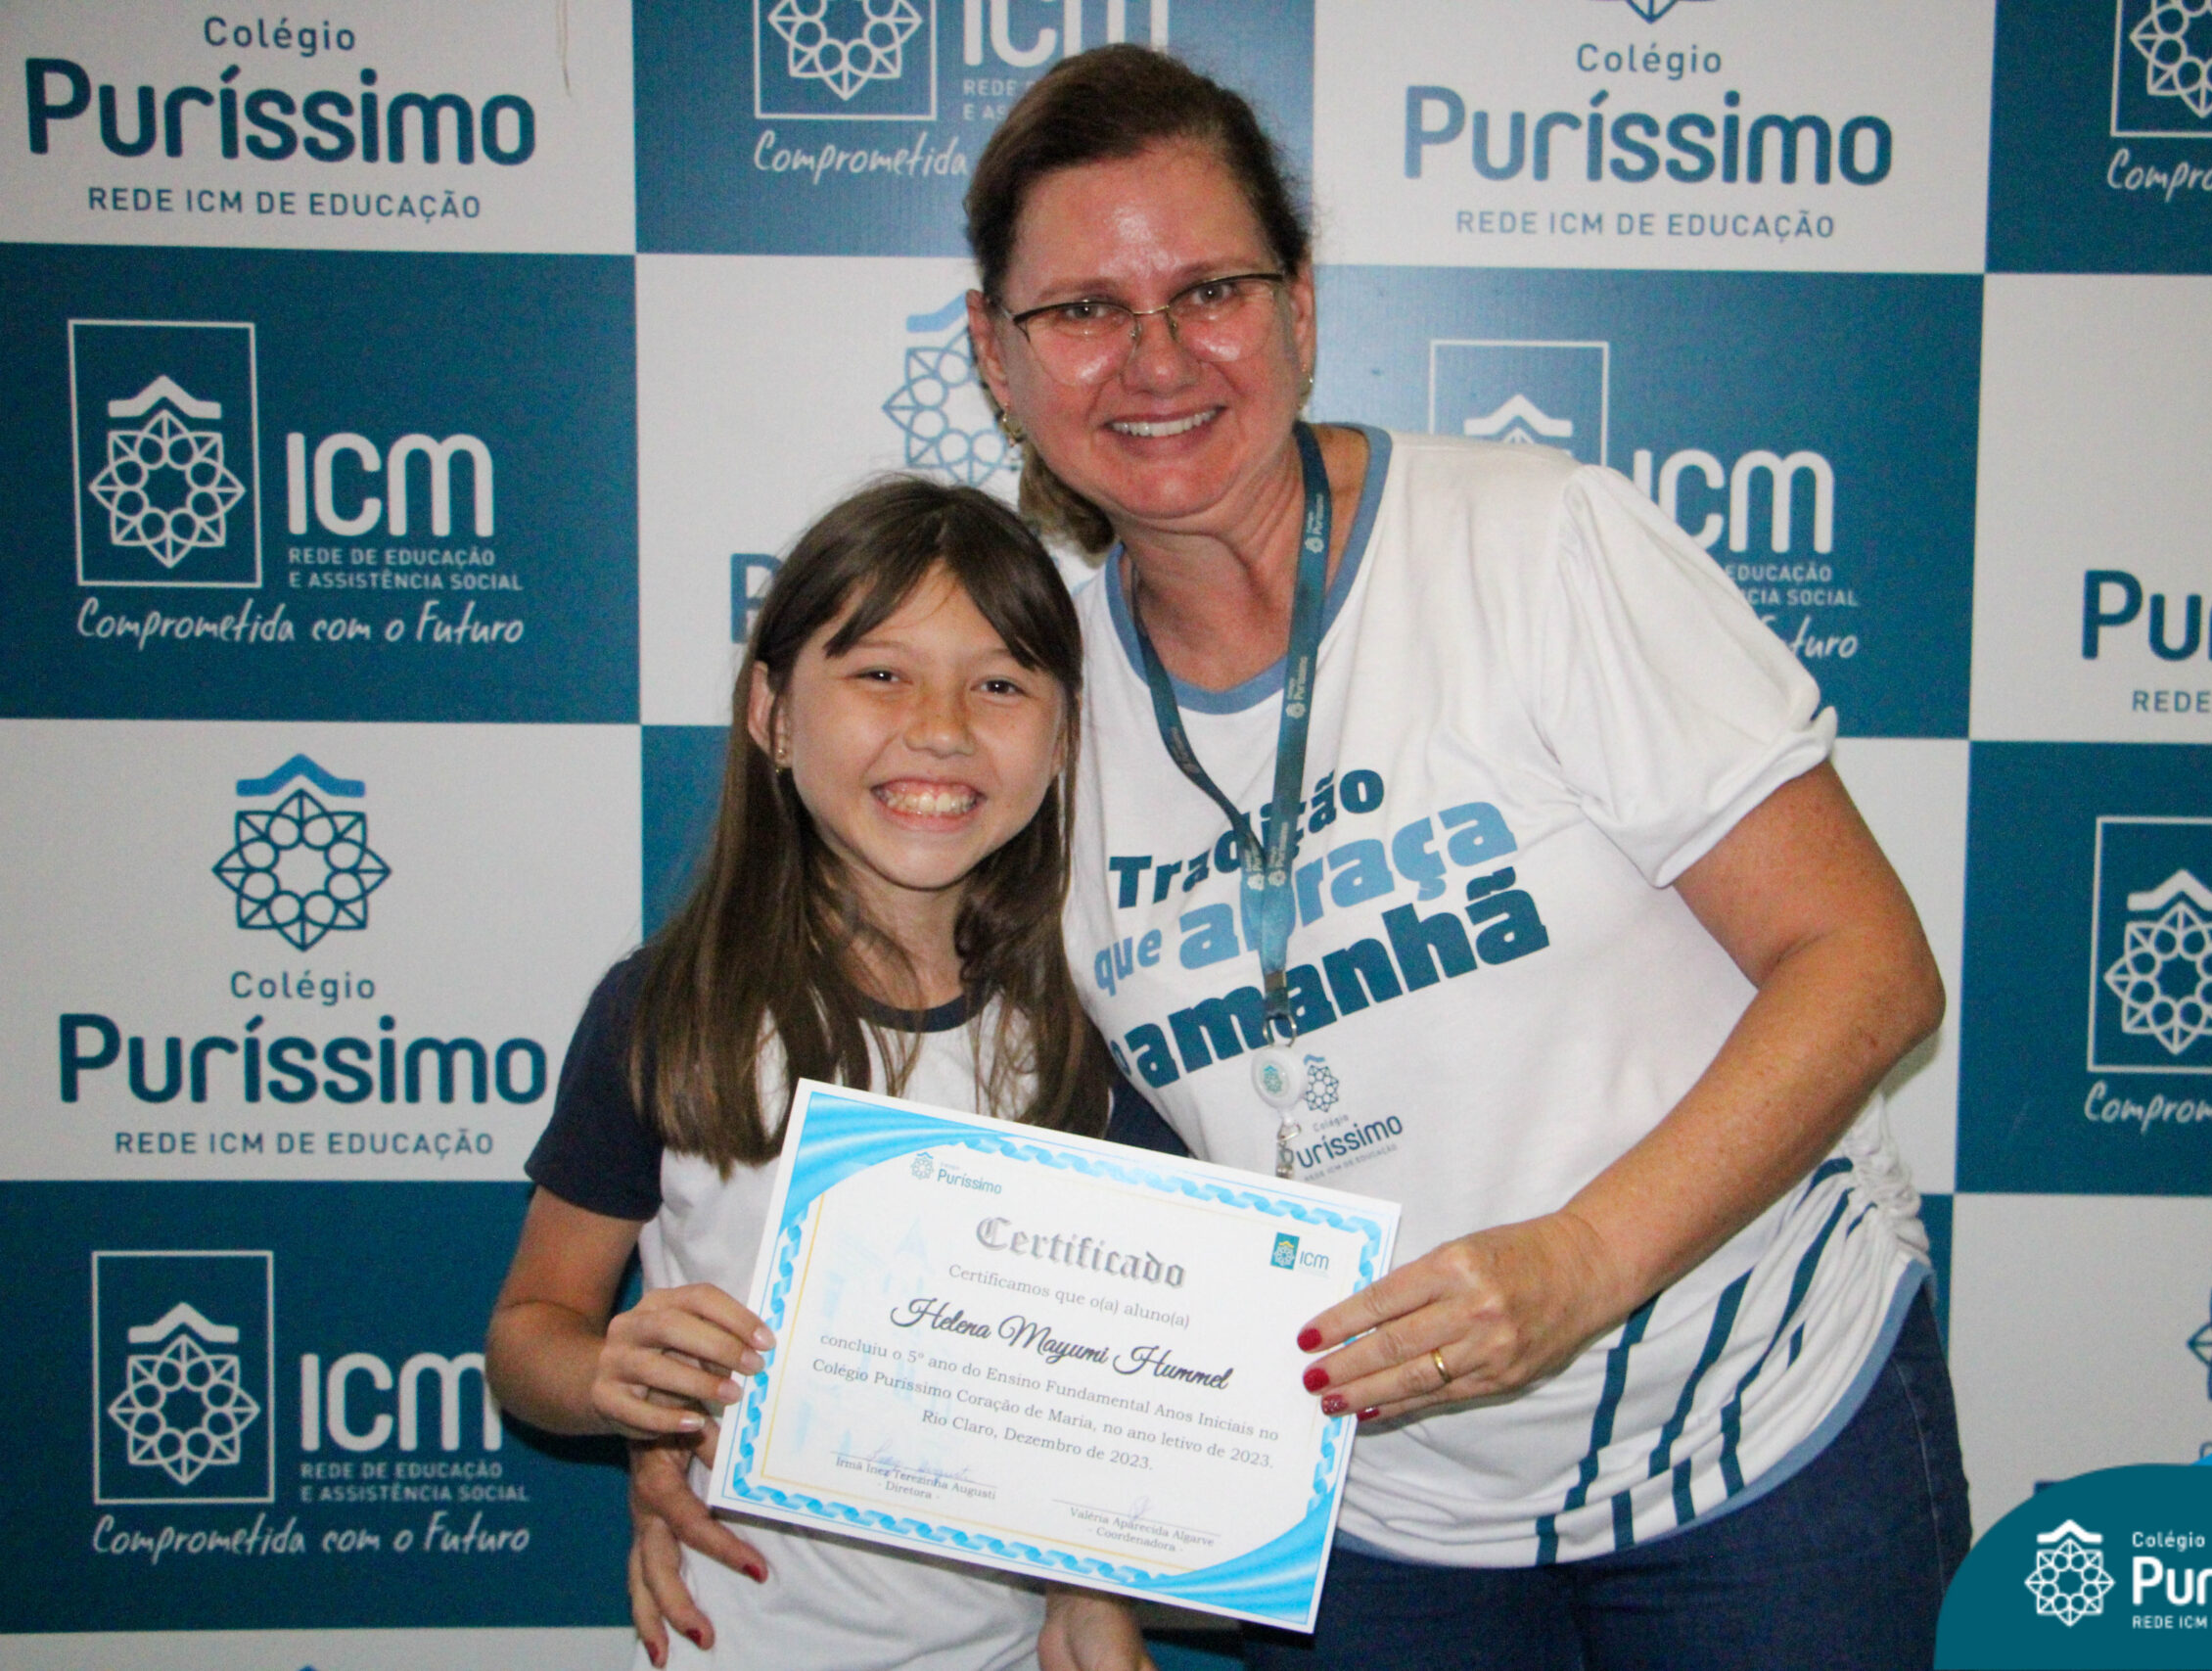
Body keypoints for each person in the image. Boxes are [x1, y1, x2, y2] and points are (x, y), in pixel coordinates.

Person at [953, 45, 1972, 1671]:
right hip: (1377, 1516)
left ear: (1300, 306)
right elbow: (1063, 1160)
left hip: (1752, 1430)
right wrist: (1075, 1539)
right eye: (1081, 309)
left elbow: (1868, 965)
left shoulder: (1535, 543)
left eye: (1210, 289)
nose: (1154, 357)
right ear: (995, 356)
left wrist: (1582, 1262)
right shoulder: (1032, 714)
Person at [484, 479, 1154, 1671]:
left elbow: (1122, 1396)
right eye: (880, 673)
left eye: (1000, 685)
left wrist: (1086, 1589)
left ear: (1063, 736)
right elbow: (530, 1333)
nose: (940, 728)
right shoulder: (672, 1011)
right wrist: (607, 1378)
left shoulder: (1094, 1033)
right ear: (773, 714)